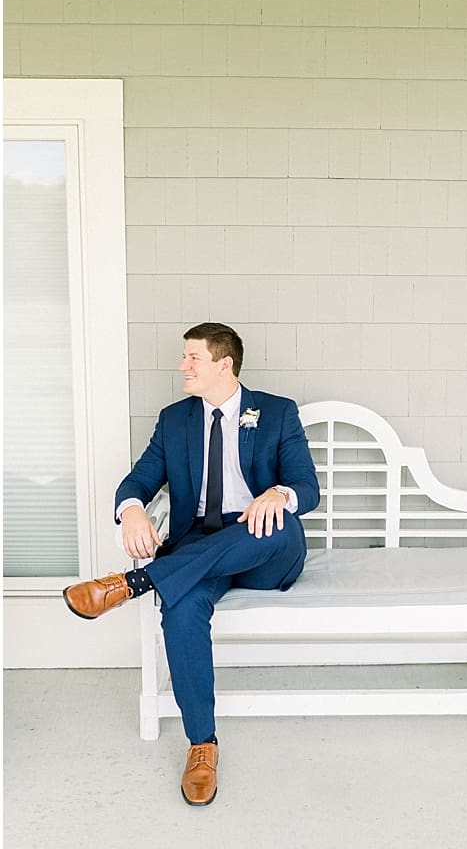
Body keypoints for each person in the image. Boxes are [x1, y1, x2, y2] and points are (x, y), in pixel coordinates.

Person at [62, 323, 319, 806]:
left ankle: (135, 582)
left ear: (224, 365)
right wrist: (132, 508)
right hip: (200, 550)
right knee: (179, 611)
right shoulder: (175, 419)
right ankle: (202, 745)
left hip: (265, 549)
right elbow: (137, 480)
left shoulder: (278, 412)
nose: (183, 366)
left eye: (193, 358)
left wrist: (277, 494)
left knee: (280, 523)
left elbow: (308, 488)